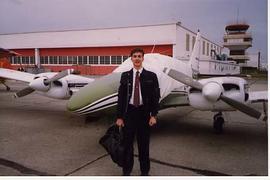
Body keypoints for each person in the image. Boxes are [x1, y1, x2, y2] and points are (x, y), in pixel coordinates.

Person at [116, 48, 160, 176]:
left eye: (139, 56)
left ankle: (145, 173)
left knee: (144, 146)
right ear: (131, 58)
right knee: (127, 146)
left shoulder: (151, 76)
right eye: (134, 56)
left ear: (143, 58)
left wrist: (154, 115)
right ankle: (126, 172)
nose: (136, 58)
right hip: (129, 114)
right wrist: (119, 117)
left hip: (144, 114)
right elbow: (121, 97)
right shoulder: (125, 76)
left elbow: (155, 97)